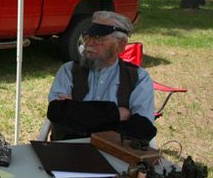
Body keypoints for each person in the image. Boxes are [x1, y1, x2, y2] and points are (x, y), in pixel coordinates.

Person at [47, 11, 156, 141]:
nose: (89, 44)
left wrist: (77, 113)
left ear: (120, 45)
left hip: (115, 152)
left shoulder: (138, 78)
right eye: (88, 37)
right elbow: (56, 112)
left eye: (99, 38)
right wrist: (117, 114)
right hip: (69, 149)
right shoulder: (69, 70)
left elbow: (143, 129)